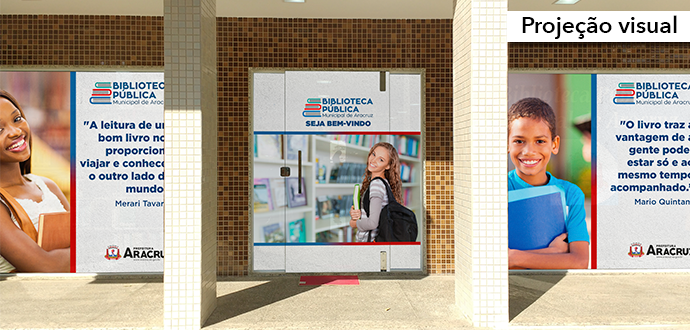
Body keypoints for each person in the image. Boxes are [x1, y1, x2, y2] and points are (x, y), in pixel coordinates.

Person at [508, 97, 589, 269]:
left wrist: (513, 257)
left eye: (540, 141)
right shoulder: (494, 191)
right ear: (507, 143)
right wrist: (552, 253)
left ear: (554, 144)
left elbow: (580, 261)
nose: (529, 151)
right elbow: (488, 262)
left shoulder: (570, 194)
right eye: (519, 141)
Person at [0, 90, 70, 273]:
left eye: (17, 119)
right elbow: (46, 266)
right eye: (0, 130)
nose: (16, 132)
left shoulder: (47, 186)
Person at [349, 142, 403, 242]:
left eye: (381, 159)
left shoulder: (376, 185)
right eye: (373, 154)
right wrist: (358, 215)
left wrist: (353, 223)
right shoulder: (383, 183)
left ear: (387, 166)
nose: (373, 160)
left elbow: (372, 223)